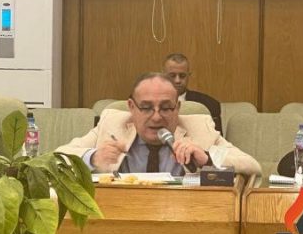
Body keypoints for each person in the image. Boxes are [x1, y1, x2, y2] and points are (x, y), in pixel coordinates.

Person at [57, 72, 260, 175]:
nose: (156, 117)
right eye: (146, 108)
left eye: (165, 108)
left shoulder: (200, 127)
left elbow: (252, 165)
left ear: (177, 108)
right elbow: (57, 157)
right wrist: (93, 157)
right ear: (131, 107)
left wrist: (206, 158)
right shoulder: (112, 123)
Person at [162, 53, 223, 134]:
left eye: (182, 76)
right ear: (163, 76)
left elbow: (217, 139)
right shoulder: (151, 103)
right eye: (172, 76)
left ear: (189, 76)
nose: (177, 80)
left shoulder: (209, 104)